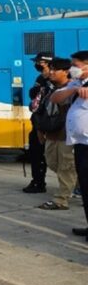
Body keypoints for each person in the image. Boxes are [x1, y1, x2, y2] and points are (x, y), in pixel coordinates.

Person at [50, 51, 88, 241]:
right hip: (80, 143)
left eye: (76, 65)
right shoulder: (77, 83)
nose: (72, 68)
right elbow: (55, 98)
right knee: (86, 187)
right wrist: (73, 90)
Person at [37, 58, 77, 210]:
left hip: (66, 136)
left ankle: (61, 199)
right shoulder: (49, 88)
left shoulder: (73, 89)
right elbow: (42, 110)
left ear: (66, 72)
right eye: (51, 69)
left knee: (66, 167)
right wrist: (40, 130)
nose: (51, 72)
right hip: (51, 133)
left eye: (55, 69)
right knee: (53, 163)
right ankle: (77, 184)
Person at [24, 52, 54, 194]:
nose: (36, 65)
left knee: (59, 160)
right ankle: (38, 181)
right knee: (36, 154)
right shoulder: (40, 78)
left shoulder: (56, 80)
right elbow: (33, 96)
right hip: (38, 121)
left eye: (39, 62)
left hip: (52, 124)